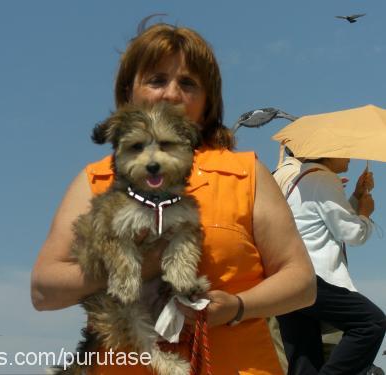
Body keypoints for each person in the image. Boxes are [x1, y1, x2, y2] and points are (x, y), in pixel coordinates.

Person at [31, 20, 316, 374]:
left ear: (207, 102)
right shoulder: (95, 180)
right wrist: (137, 265)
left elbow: (302, 282)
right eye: (156, 80)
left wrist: (237, 307)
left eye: (188, 83)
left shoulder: (245, 173)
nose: (170, 94)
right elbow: (44, 291)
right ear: (128, 92)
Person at [276, 157, 386, 375]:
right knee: (371, 323)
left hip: (287, 279)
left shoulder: (298, 181)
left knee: (304, 360)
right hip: (313, 277)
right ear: (327, 153)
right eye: (343, 152)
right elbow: (352, 232)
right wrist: (365, 213)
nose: (349, 157)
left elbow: (327, 221)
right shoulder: (324, 179)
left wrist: (355, 196)